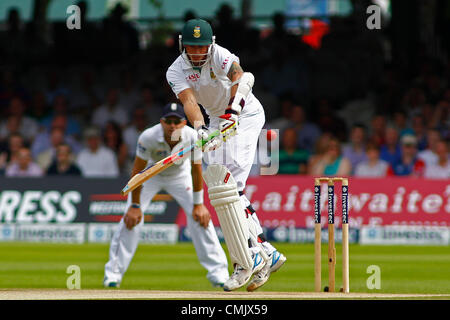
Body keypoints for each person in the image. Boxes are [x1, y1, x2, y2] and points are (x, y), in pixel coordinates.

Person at [165, 19, 286, 292]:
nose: (197, 53)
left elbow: (241, 78)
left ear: (211, 44)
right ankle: (264, 250)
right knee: (219, 186)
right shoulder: (175, 71)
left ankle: (247, 258)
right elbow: (189, 102)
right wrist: (200, 129)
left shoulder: (220, 55)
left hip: (246, 114)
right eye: (192, 47)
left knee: (230, 185)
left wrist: (234, 111)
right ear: (184, 45)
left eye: (202, 47)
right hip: (217, 120)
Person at [104, 103, 229, 288]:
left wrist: (198, 204)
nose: (172, 126)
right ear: (161, 122)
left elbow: (196, 170)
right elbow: (138, 171)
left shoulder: (192, 136)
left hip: (180, 176)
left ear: (183, 122)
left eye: (176, 121)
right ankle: (112, 275)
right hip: (151, 175)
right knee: (130, 220)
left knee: (201, 219)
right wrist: (135, 206)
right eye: (168, 121)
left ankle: (219, 274)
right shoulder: (148, 137)